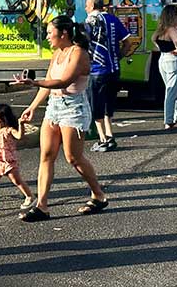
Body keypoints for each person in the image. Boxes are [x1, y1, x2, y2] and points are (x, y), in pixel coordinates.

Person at [15, 16, 107, 222]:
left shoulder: (79, 53)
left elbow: (63, 81)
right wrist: (32, 107)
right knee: (46, 155)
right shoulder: (57, 53)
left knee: (73, 157)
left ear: (63, 33)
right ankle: (42, 206)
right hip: (54, 107)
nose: (47, 37)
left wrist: (34, 82)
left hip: (74, 108)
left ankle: (98, 195)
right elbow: (49, 82)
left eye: (50, 33)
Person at [84, 0, 133, 152]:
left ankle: (103, 139)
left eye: (87, 5)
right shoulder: (113, 19)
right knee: (108, 104)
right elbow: (128, 42)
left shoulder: (90, 21)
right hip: (114, 70)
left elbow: (84, 44)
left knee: (96, 105)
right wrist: (118, 56)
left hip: (97, 70)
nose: (85, 8)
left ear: (92, 6)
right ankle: (110, 136)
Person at [153, 5, 177, 129]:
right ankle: (169, 120)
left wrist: (162, 48)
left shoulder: (160, 30)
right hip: (173, 59)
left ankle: (175, 118)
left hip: (163, 58)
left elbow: (153, 39)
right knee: (173, 91)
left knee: (171, 89)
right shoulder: (172, 29)